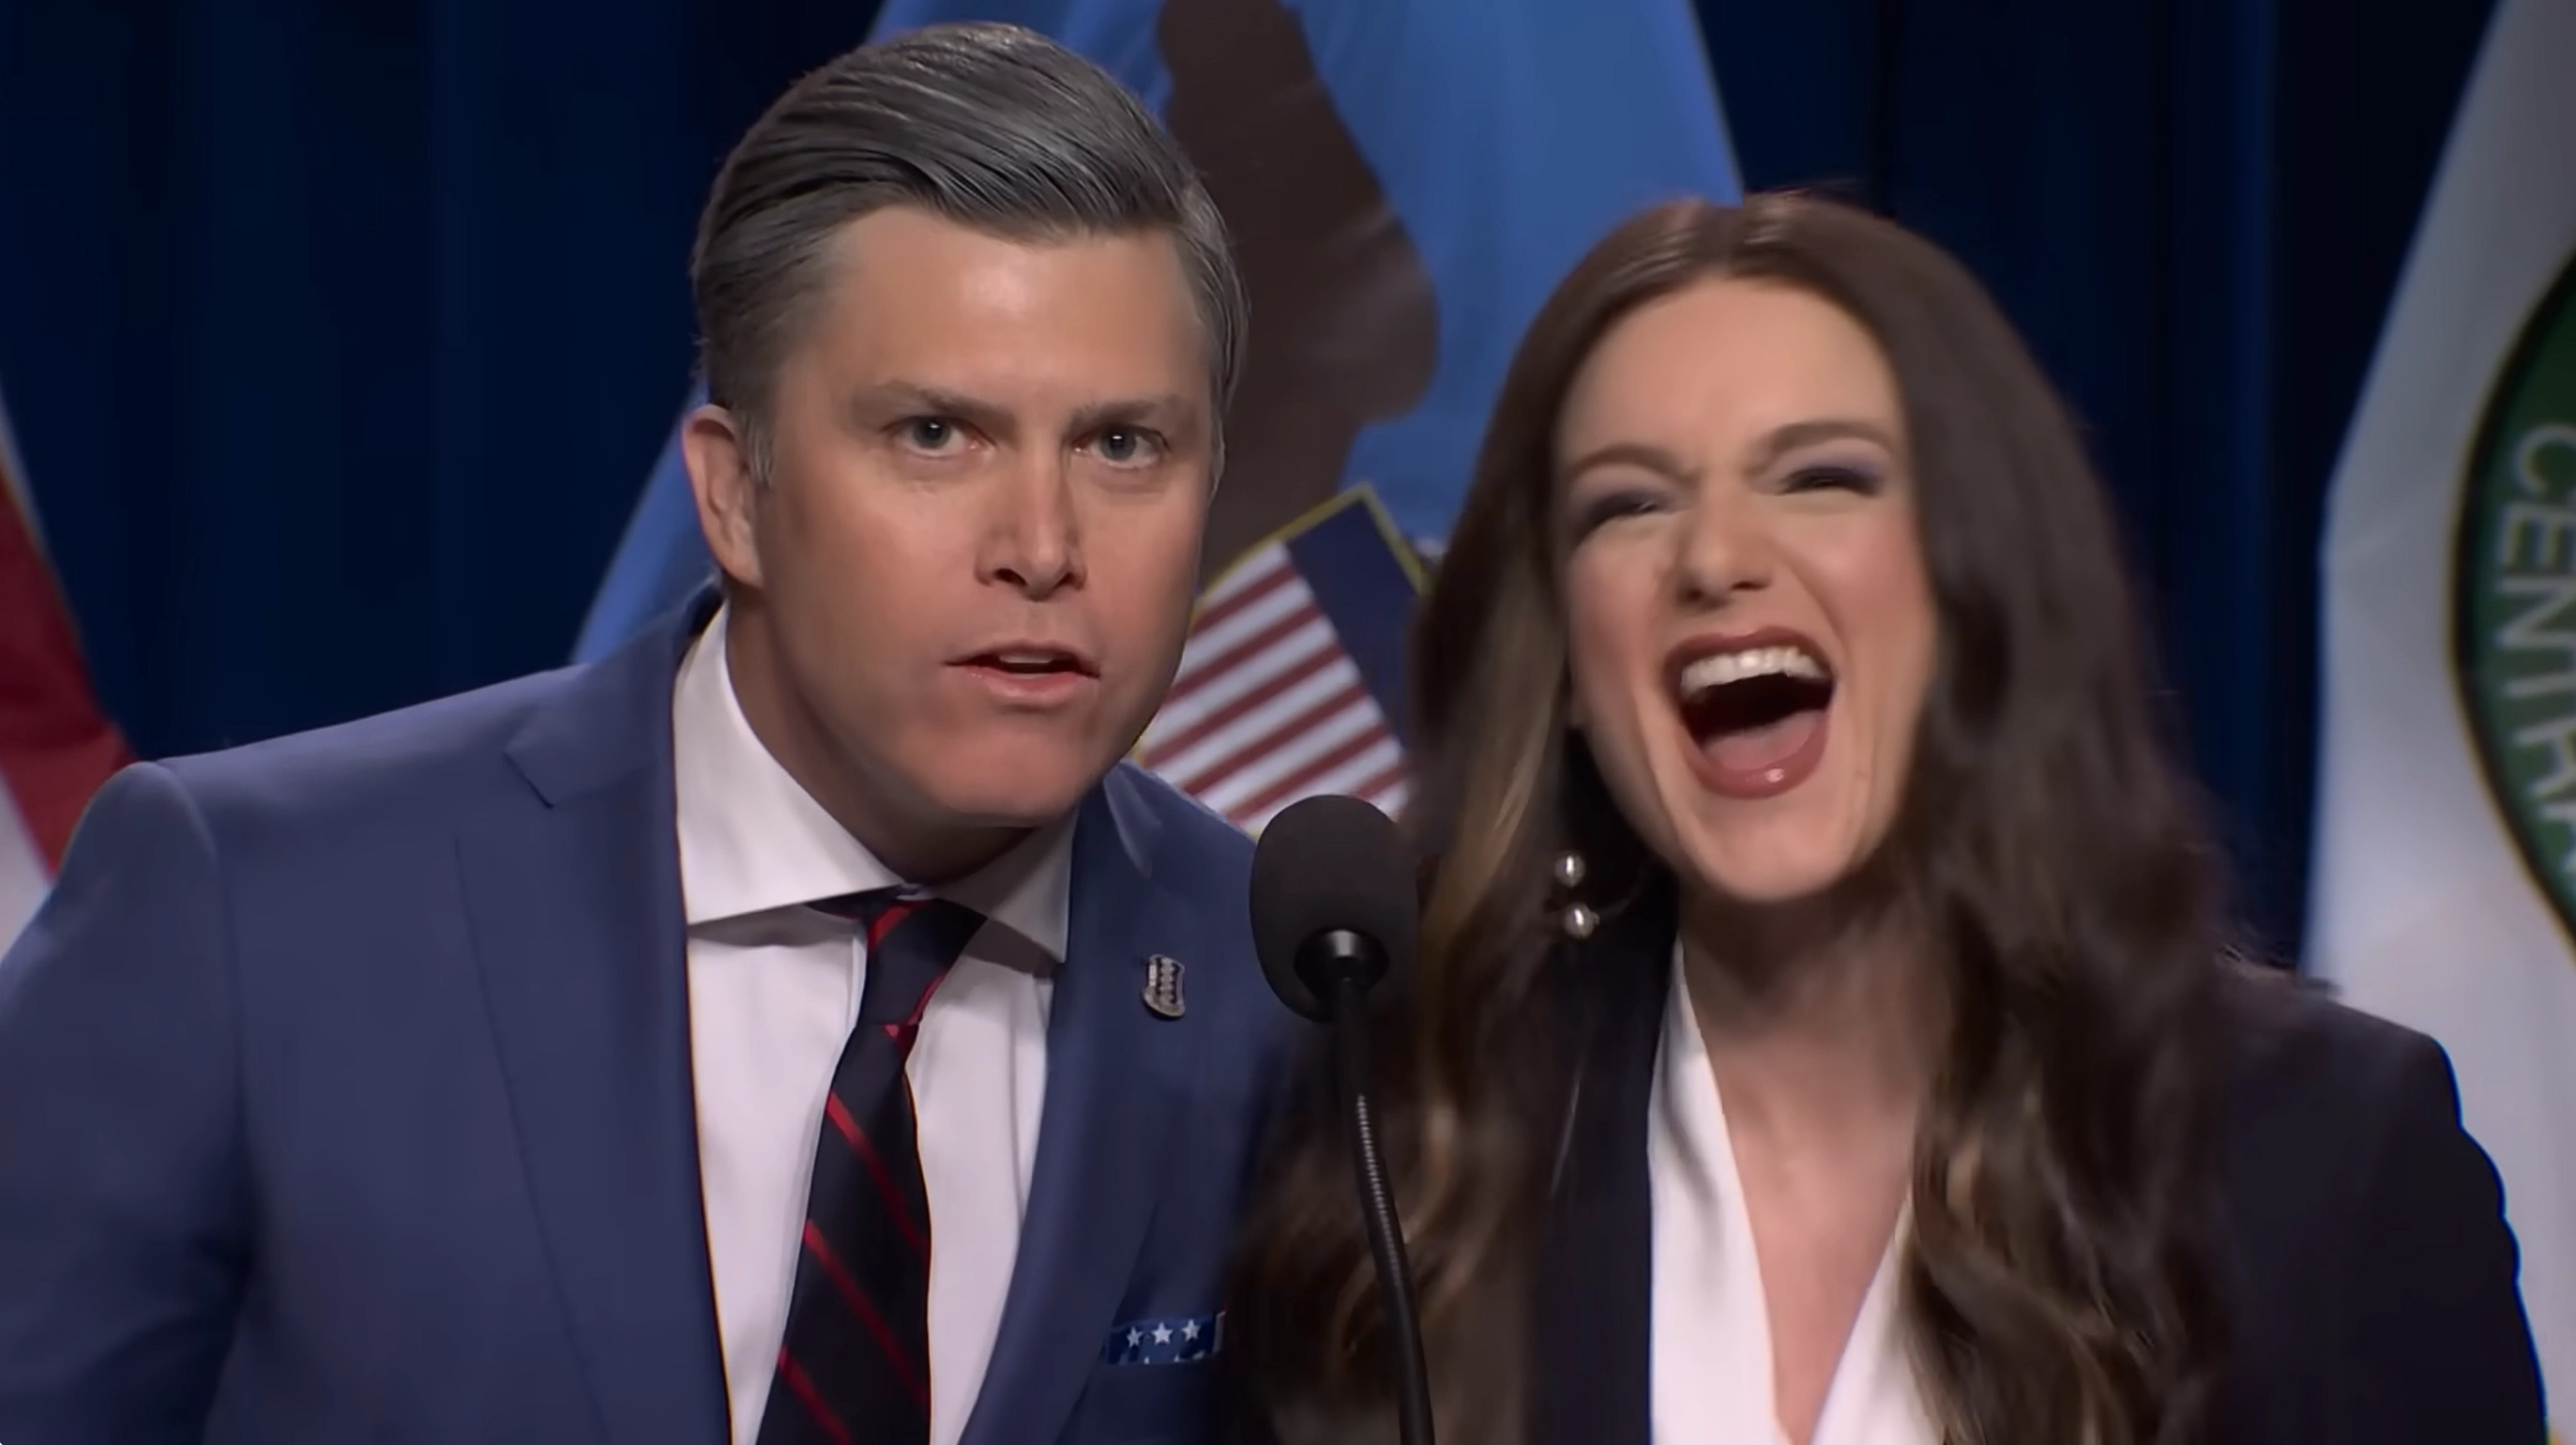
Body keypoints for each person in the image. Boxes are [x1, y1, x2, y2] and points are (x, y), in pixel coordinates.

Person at [0, 23, 1289, 1445]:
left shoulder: (1285, 985)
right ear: (734, 496)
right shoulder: (254, 914)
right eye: (934, 434)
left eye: (1121, 446)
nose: (1042, 547)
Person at [1221, 193, 2547, 1444]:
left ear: (1979, 586)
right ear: (1565, 662)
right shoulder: (1412, 1134)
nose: (1715, 557)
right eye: (1629, 504)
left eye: (1820, 476)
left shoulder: (2324, 1153)